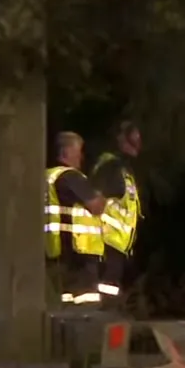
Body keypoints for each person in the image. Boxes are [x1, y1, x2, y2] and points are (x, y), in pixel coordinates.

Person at [45, 131, 108, 306]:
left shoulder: (46, 177)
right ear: (66, 153)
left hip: (54, 253)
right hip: (79, 256)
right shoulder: (72, 177)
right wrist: (100, 193)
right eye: (78, 150)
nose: (81, 156)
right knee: (85, 309)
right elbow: (96, 206)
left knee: (62, 307)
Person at [91, 120, 144, 309]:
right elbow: (95, 201)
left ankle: (108, 316)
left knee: (111, 289)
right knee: (106, 291)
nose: (138, 143)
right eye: (133, 138)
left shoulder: (122, 169)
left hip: (117, 244)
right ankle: (104, 318)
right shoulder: (111, 167)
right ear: (121, 139)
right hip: (106, 242)